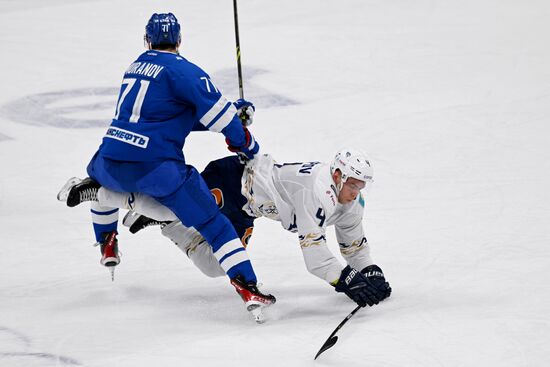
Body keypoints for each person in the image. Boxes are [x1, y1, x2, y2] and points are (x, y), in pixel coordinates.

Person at [57, 12, 274, 321]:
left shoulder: (134, 67)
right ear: (180, 40)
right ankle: (248, 287)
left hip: (108, 161)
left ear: (147, 40)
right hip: (155, 170)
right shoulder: (186, 73)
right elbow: (223, 122)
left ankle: (107, 241)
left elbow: (168, 116)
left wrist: (230, 110)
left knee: (102, 185)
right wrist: (247, 141)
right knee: (214, 224)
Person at [61, 148, 392, 308]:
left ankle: (168, 224)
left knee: (214, 265)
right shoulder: (315, 191)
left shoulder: (350, 203)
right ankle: (98, 191)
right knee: (167, 205)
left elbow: (353, 247)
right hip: (234, 180)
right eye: (352, 183)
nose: (355, 190)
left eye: (361, 185)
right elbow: (316, 257)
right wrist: (347, 281)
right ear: (336, 175)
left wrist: (370, 271)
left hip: (248, 208)